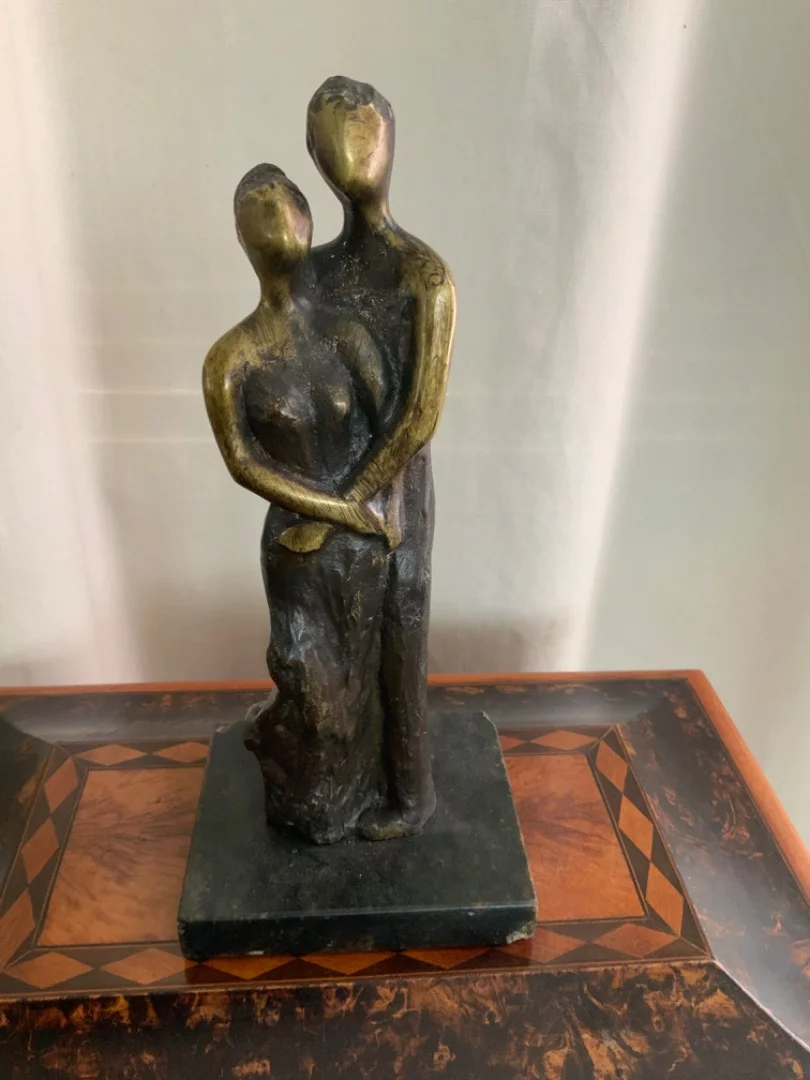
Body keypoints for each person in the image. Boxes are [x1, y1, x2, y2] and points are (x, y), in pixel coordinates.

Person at [203, 164, 400, 843]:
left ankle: (350, 798)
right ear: (240, 236)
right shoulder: (230, 358)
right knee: (306, 678)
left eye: (282, 203)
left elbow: (393, 434)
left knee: (357, 686)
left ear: (308, 220)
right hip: (296, 545)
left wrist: (363, 513)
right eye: (253, 209)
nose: (271, 217)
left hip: (360, 545)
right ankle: (305, 795)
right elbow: (242, 463)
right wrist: (330, 510)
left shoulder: (346, 336)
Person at [304, 76, 456, 839]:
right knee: (337, 639)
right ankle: (341, 776)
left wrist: (357, 497)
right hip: (323, 486)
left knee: (401, 629)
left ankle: (409, 790)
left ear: (392, 142)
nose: (351, 153)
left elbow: (419, 415)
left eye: (364, 132)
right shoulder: (311, 270)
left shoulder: (422, 276)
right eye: (332, 136)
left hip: (391, 493)